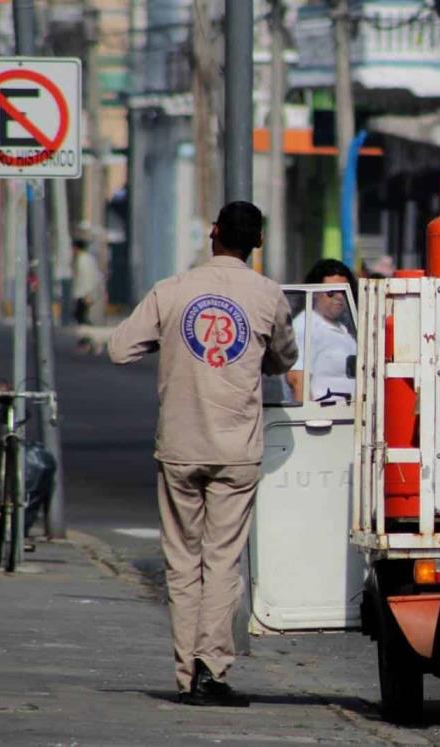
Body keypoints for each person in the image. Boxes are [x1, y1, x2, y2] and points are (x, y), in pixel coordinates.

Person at [107, 201, 298, 706]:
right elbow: (283, 359)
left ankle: (185, 676)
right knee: (222, 562)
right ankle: (213, 669)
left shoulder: (170, 291)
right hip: (236, 450)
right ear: (256, 244)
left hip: (179, 445)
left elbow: (119, 349)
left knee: (181, 562)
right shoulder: (267, 295)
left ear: (213, 233)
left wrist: (167, 343)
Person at [285, 259, 358, 403]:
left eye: (343, 292)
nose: (339, 297)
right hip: (320, 421)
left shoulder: (343, 327)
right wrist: (306, 420)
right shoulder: (305, 326)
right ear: (316, 293)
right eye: (331, 292)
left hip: (345, 418)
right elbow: (297, 380)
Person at [72, 240, 102, 325]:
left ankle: (86, 331)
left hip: (84, 293)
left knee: (79, 315)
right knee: (80, 315)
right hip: (83, 292)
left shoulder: (83, 260)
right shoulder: (85, 258)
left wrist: (87, 293)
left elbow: (87, 277)